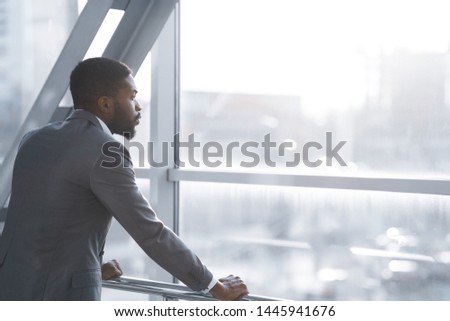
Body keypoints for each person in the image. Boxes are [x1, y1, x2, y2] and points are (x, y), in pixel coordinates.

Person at [0, 57, 249, 301]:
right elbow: (150, 233)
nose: (138, 106)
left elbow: (45, 218)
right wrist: (214, 286)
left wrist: (91, 267)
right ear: (105, 104)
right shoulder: (106, 150)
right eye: (131, 96)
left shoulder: (34, 138)